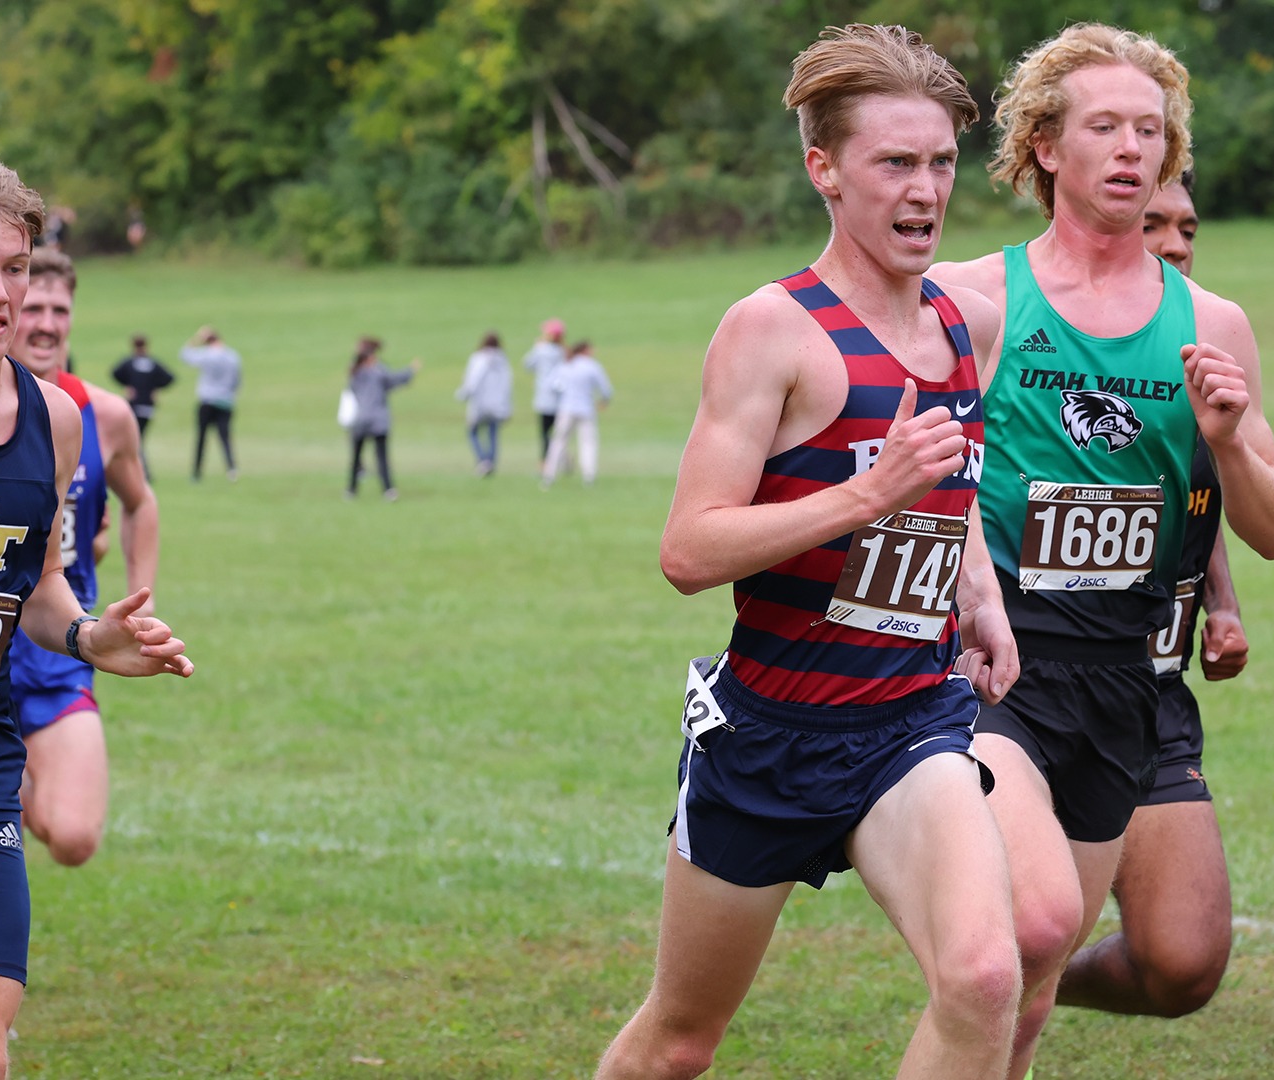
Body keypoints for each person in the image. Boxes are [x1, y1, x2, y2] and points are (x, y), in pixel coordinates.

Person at [595, 25, 1023, 1080]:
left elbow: (951, 486)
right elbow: (689, 550)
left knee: (982, 979)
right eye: (895, 163)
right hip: (772, 735)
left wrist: (980, 593)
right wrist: (863, 495)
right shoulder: (773, 330)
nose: (925, 191)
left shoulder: (967, 326)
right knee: (680, 1043)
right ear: (824, 170)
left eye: (941, 163)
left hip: (912, 718)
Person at [930, 26, 1274, 1077]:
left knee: (1061, 982)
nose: (1133, 148)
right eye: (1105, 127)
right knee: (1036, 926)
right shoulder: (975, 297)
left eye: (1151, 129)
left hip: (1130, 677)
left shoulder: (1212, 323)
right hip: (996, 666)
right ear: (1046, 145)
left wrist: (1230, 441)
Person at [0, 145, 192, 1080]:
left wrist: (89, 633)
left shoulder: (56, 419)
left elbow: (39, 582)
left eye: (14, 268)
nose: (0, 293)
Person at [1056, 173, 1251, 1018]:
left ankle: (1030, 986)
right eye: (1154, 223)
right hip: (1030, 681)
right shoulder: (1039, 338)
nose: (1175, 243)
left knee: (1182, 967)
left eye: (1188, 227)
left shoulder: (1204, 345)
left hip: (1150, 690)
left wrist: (1223, 603)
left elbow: (1194, 495)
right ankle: (1002, 984)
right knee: (1027, 926)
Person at [8, 248, 161, 868]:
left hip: (59, 637)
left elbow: (139, 503)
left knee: (72, 837)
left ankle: (14, 787)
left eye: (60, 310)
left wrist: (141, 599)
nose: (47, 323)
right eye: (35, 307)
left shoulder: (105, 417)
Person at [344, 338, 417, 501]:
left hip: (360, 419)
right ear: (370, 358)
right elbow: (394, 380)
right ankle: (388, 490)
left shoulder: (354, 373)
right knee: (382, 457)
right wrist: (411, 370)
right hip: (378, 420)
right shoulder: (377, 372)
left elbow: (352, 392)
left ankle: (351, 490)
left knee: (356, 458)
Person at [541, 340, 612, 488]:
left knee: (558, 442)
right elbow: (606, 389)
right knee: (588, 443)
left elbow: (551, 385)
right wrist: (603, 401)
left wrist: (562, 393)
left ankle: (549, 475)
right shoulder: (592, 366)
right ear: (584, 350)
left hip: (566, 408)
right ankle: (589, 477)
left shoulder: (566, 365)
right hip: (586, 409)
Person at [180, 325, 240, 481]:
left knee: (201, 437)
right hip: (226, 401)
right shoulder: (232, 356)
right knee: (225, 437)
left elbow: (185, 355)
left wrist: (196, 339)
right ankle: (231, 469)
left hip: (207, 400)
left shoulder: (206, 355)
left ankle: (197, 472)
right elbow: (237, 380)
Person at [110, 334, 173, 479]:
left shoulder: (129, 362)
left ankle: (140, 472)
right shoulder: (152, 363)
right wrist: (155, 388)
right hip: (148, 407)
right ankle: (142, 472)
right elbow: (170, 378)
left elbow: (114, 373)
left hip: (133, 406)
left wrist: (127, 385)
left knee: (136, 440)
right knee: (139, 439)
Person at [456, 331, 512, 476]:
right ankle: (491, 461)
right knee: (492, 433)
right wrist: (507, 406)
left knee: (473, 432)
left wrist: (463, 394)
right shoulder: (502, 360)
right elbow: (507, 384)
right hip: (497, 404)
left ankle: (483, 460)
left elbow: (473, 379)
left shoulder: (478, 358)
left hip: (480, 403)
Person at [522, 319, 566, 464]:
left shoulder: (541, 350)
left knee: (545, 432)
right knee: (560, 433)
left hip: (544, 398)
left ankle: (546, 462)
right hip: (562, 398)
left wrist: (536, 346)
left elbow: (527, 364)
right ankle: (561, 457)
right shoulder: (563, 352)